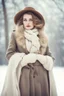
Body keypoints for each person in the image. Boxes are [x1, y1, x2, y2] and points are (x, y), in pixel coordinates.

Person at [1, 7, 57, 96]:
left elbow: (50, 57)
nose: (28, 22)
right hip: (24, 78)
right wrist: (24, 59)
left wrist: (43, 59)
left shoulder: (42, 37)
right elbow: (9, 54)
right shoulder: (15, 35)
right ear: (21, 21)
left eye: (30, 19)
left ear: (35, 21)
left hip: (42, 78)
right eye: (25, 20)